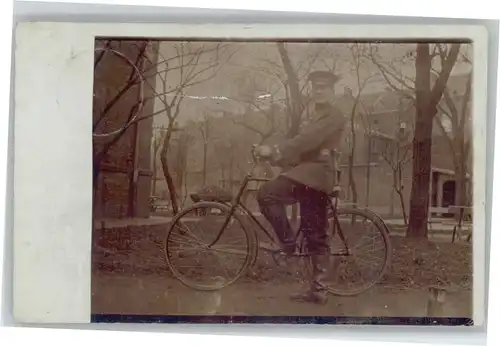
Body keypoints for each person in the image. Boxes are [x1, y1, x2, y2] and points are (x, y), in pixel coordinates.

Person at [253, 70, 347, 305]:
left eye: (324, 87)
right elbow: (300, 147)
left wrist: (275, 151)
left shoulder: (333, 115)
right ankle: (290, 247)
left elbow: (308, 141)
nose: (319, 91)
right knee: (269, 195)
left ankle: (317, 286)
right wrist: (274, 157)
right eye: (316, 87)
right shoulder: (312, 115)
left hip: (317, 175)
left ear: (332, 91)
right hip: (305, 173)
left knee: (314, 232)